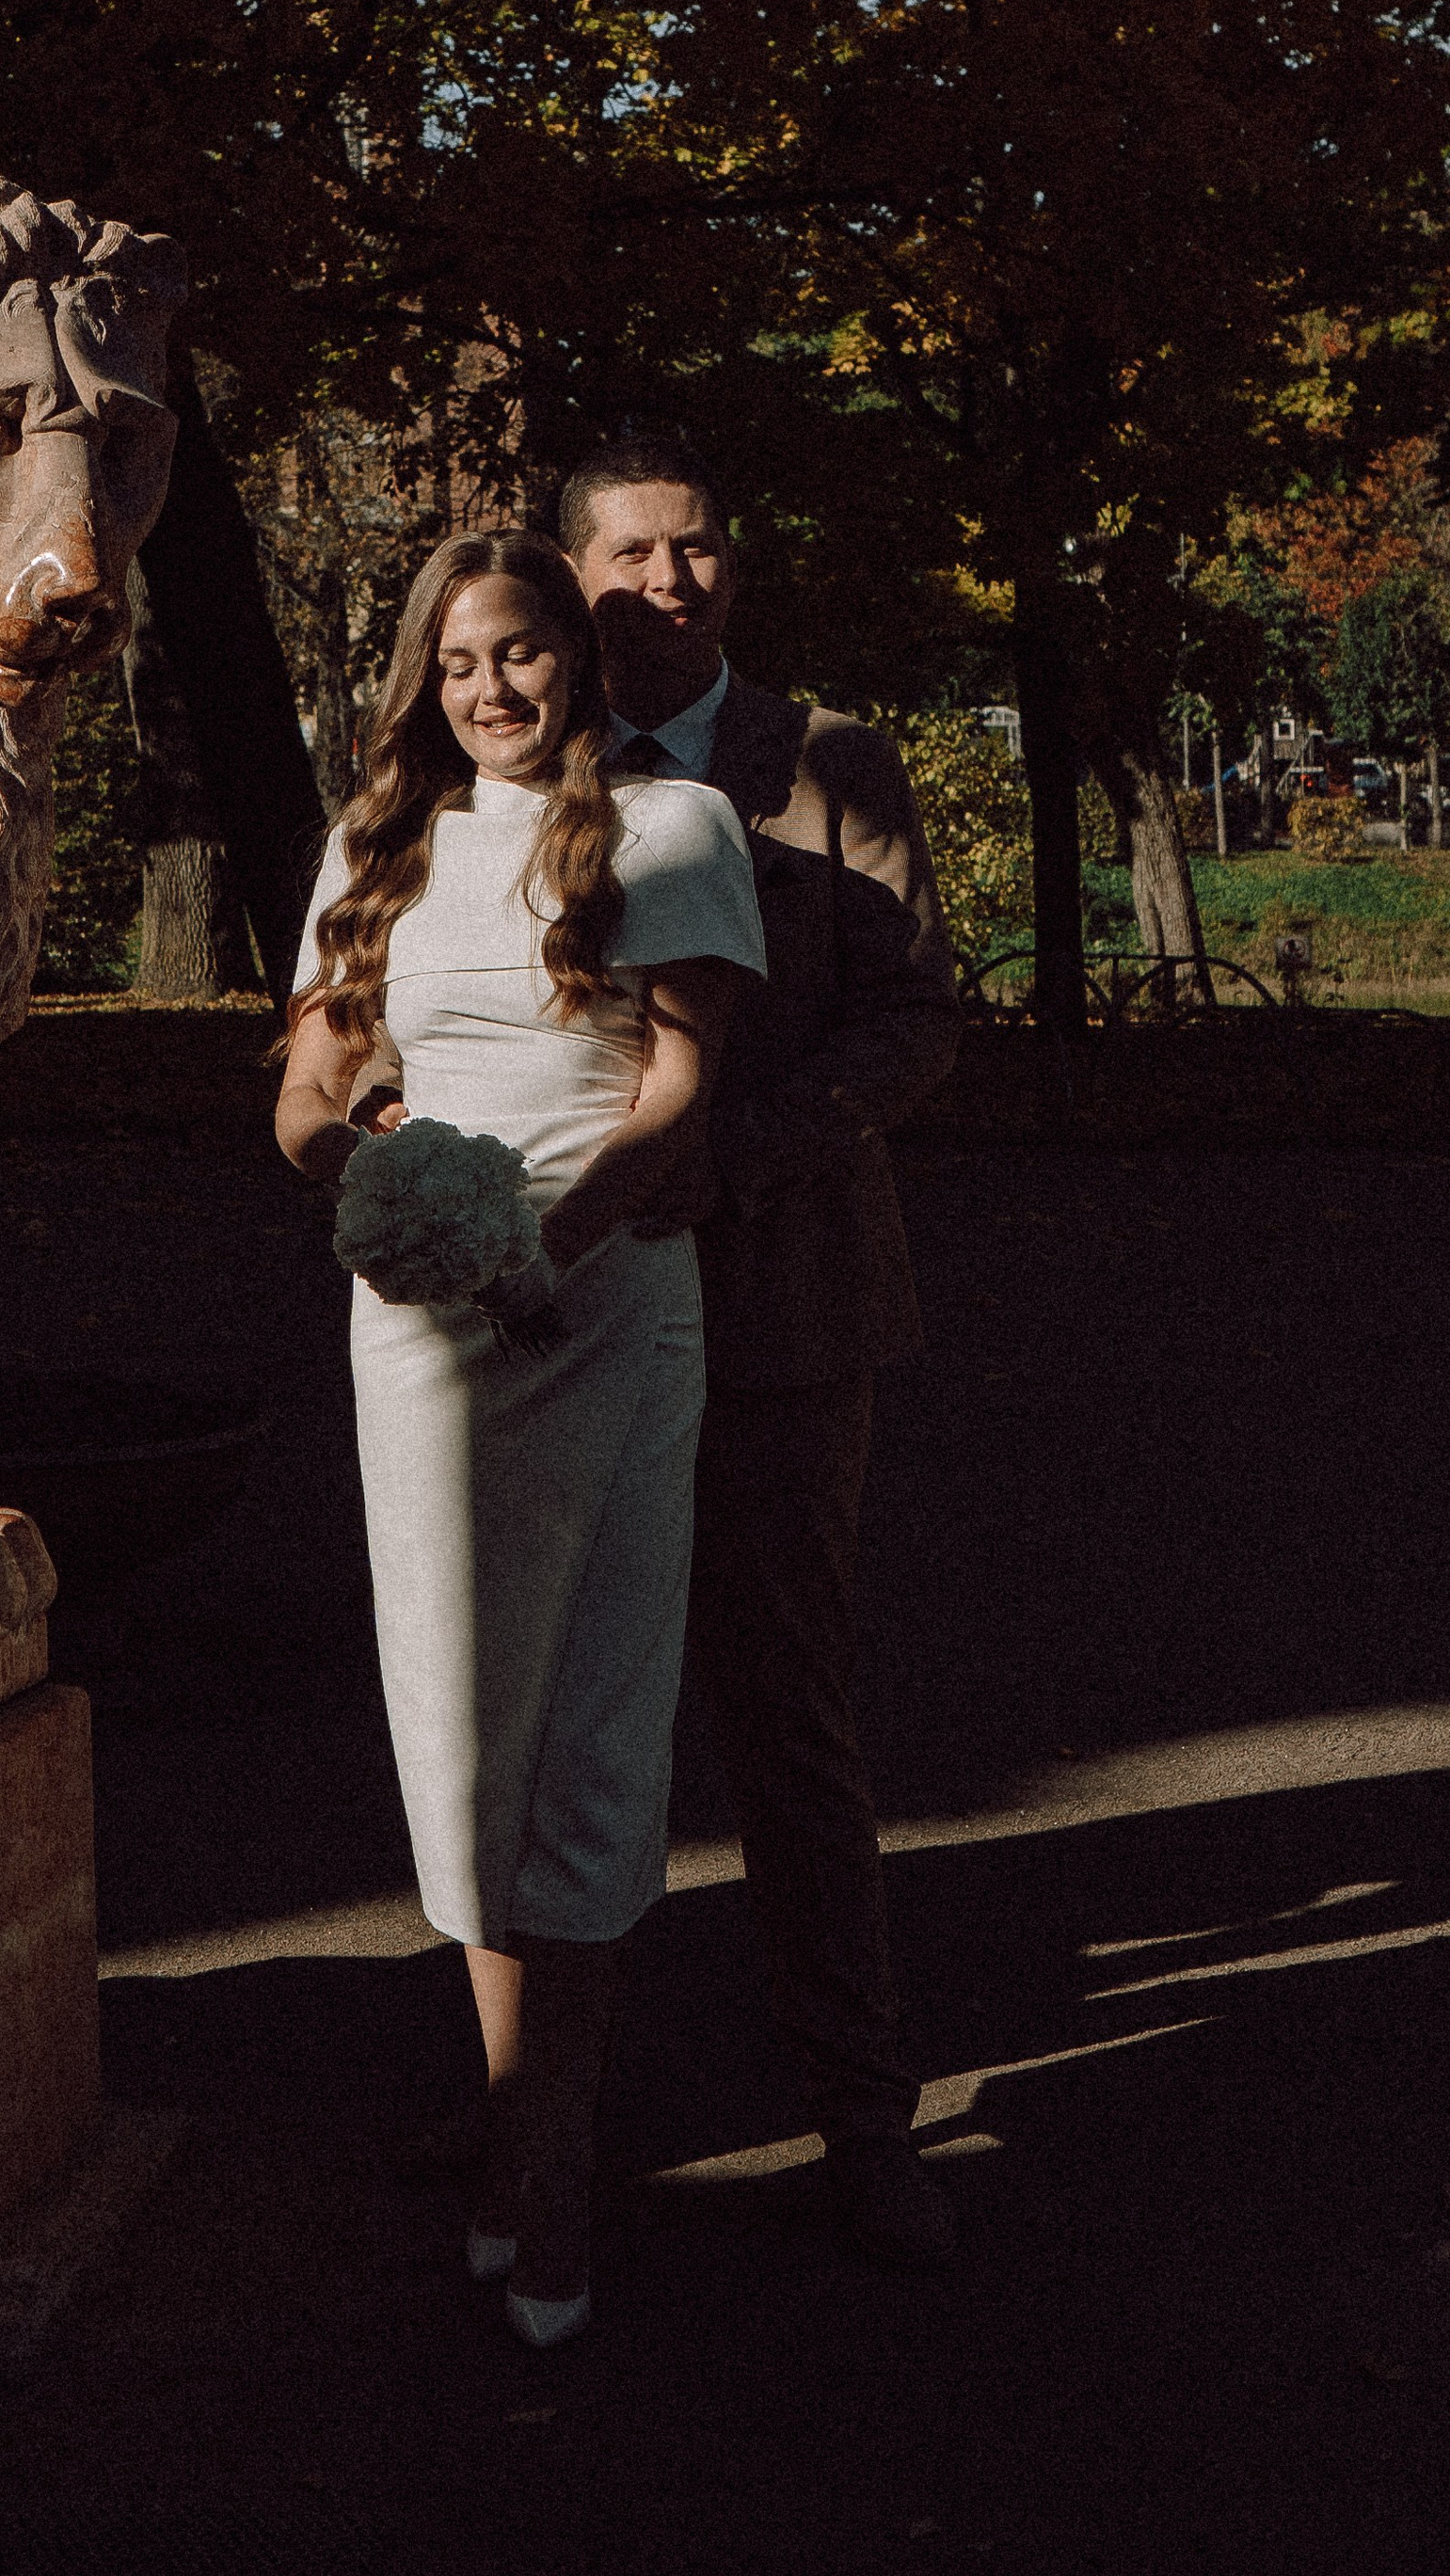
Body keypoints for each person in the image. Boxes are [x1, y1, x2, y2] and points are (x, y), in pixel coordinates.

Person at [275, 527, 763, 2347]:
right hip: (422, 1337)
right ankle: (506, 2130)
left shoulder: (672, 831)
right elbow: (306, 1104)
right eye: (460, 660)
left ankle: (550, 2167)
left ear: (579, 657)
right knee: (457, 1726)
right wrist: (390, 1181)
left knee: (592, 1717)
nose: (492, 689)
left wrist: (537, 1248)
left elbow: (680, 1095)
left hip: (610, 1309)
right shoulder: (375, 848)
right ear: (426, 675)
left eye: (524, 654)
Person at [558, 431, 964, 2264]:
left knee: (782, 1715)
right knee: (558, 1718)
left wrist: (729, 1152)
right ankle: (531, 2107)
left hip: (781, 1315)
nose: (667, 580)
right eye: (630, 554)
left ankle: (859, 2114)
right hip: (559, 1330)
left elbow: (910, 1026)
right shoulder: (514, 768)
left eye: (695, 548)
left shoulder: (823, 767)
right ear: (573, 578)